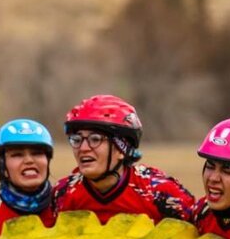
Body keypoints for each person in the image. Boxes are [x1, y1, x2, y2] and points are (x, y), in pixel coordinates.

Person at [52, 94, 195, 225]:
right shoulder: (63, 194)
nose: (83, 148)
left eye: (95, 139)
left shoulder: (160, 193)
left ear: (121, 148)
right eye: (76, 139)